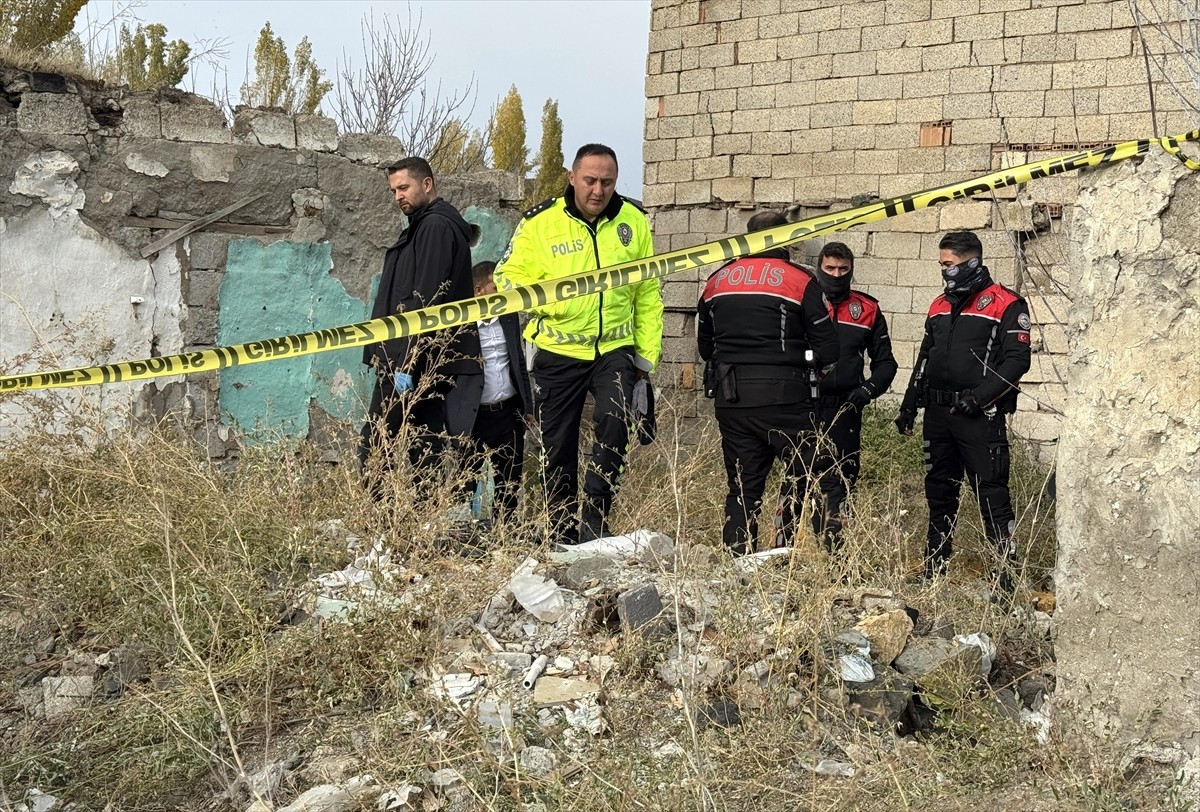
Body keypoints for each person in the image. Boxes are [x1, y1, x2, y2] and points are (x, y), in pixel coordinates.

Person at [495, 143, 662, 544]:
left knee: (614, 426)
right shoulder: (540, 223)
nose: (598, 190)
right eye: (589, 180)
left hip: (614, 350)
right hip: (558, 351)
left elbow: (648, 292)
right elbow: (506, 278)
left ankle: (596, 519)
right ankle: (561, 526)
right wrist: (545, 297)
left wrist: (645, 358)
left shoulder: (633, 221)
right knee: (558, 444)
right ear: (572, 177)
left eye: (607, 182)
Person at [697, 211, 840, 556]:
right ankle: (809, 555)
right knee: (813, 475)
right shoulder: (798, 281)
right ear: (785, 239)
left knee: (743, 488)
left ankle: (737, 562)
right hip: (785, 399)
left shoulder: (717, 280)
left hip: (732, 401)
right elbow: (829, 348)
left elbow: (705, 347)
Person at [895, 230, 1031, 587]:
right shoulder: (939, 304)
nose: (945, 271)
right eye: (942, 264)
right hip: (939, 417)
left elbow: (1017, 362)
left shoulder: (1006, 303)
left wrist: (980, 398)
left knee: (992, 496)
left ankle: (1006, 581)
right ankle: (934, 572)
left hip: (979, 417)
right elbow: (925, 358)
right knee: (939, 494)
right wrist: (909, 405)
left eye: (949, 264)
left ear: (972, 261)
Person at [358, 157, 479, 496]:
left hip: (414, 360)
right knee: (422, 445)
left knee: (376, 444)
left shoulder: (435, 228)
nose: (398, 196)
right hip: (420, 360)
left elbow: (425, 301)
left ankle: (378, 524)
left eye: (404, 187)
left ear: (427, 185)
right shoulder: (424, 225)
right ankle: (419, 524)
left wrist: (405, 363)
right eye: (394, 190)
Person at [806, 241, 898, 549]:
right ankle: (788, 551)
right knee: (798, 477)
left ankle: (833, 552)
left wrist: (866, 391)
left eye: (843, 269)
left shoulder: (867, 309)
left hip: (846, 406)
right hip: (803, 403)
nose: (836, 274)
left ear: (851, 270)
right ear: (819, 267)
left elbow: (886, 363)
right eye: (830, 268)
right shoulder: (802, 301)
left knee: (841, 481)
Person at [445, 261, 535, 524]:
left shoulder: (508, 317)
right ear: (479, 291)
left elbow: (518, 361)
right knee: (465, 481)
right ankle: (463, 533)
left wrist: (528, 407)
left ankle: (505, 535)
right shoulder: (459, 324)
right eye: (497, 287)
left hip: (508, 413)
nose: (503, 293)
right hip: (472, 418)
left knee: (509, 480)